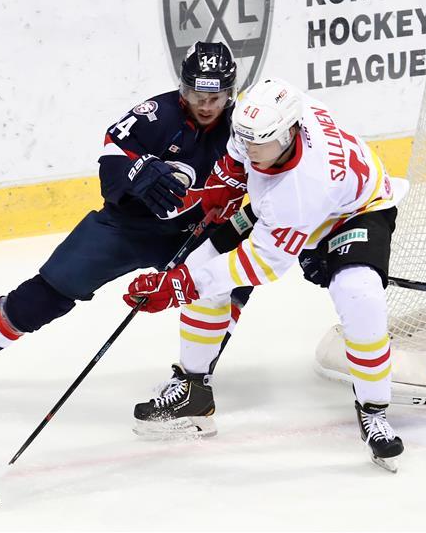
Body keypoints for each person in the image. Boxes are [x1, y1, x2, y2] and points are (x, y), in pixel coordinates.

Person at [0, 42, 251, 398]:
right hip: (126, 229)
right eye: (197, 95)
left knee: (230, 279)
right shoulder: (155, 115)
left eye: (216, 97)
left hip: (198, 233)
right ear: (183, 88)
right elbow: (110, 165)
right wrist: (135, 173)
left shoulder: (244, 124)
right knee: (49, 291)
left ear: (230, 92)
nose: (206, 106)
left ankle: (193, 379)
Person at [123, 77, 408, 472]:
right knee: (199, 266)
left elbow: (260, 264)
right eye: (246, 140)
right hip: (289, 206)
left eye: (260, 143)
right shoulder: (269, 116)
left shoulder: (302, 186)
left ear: (291, 132)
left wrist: (179, 288)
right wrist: (225, 181)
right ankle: (193, 389)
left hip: (355, 212)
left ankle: (374, 410)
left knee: (360, 295)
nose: (251, 149)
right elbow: (241, 150)